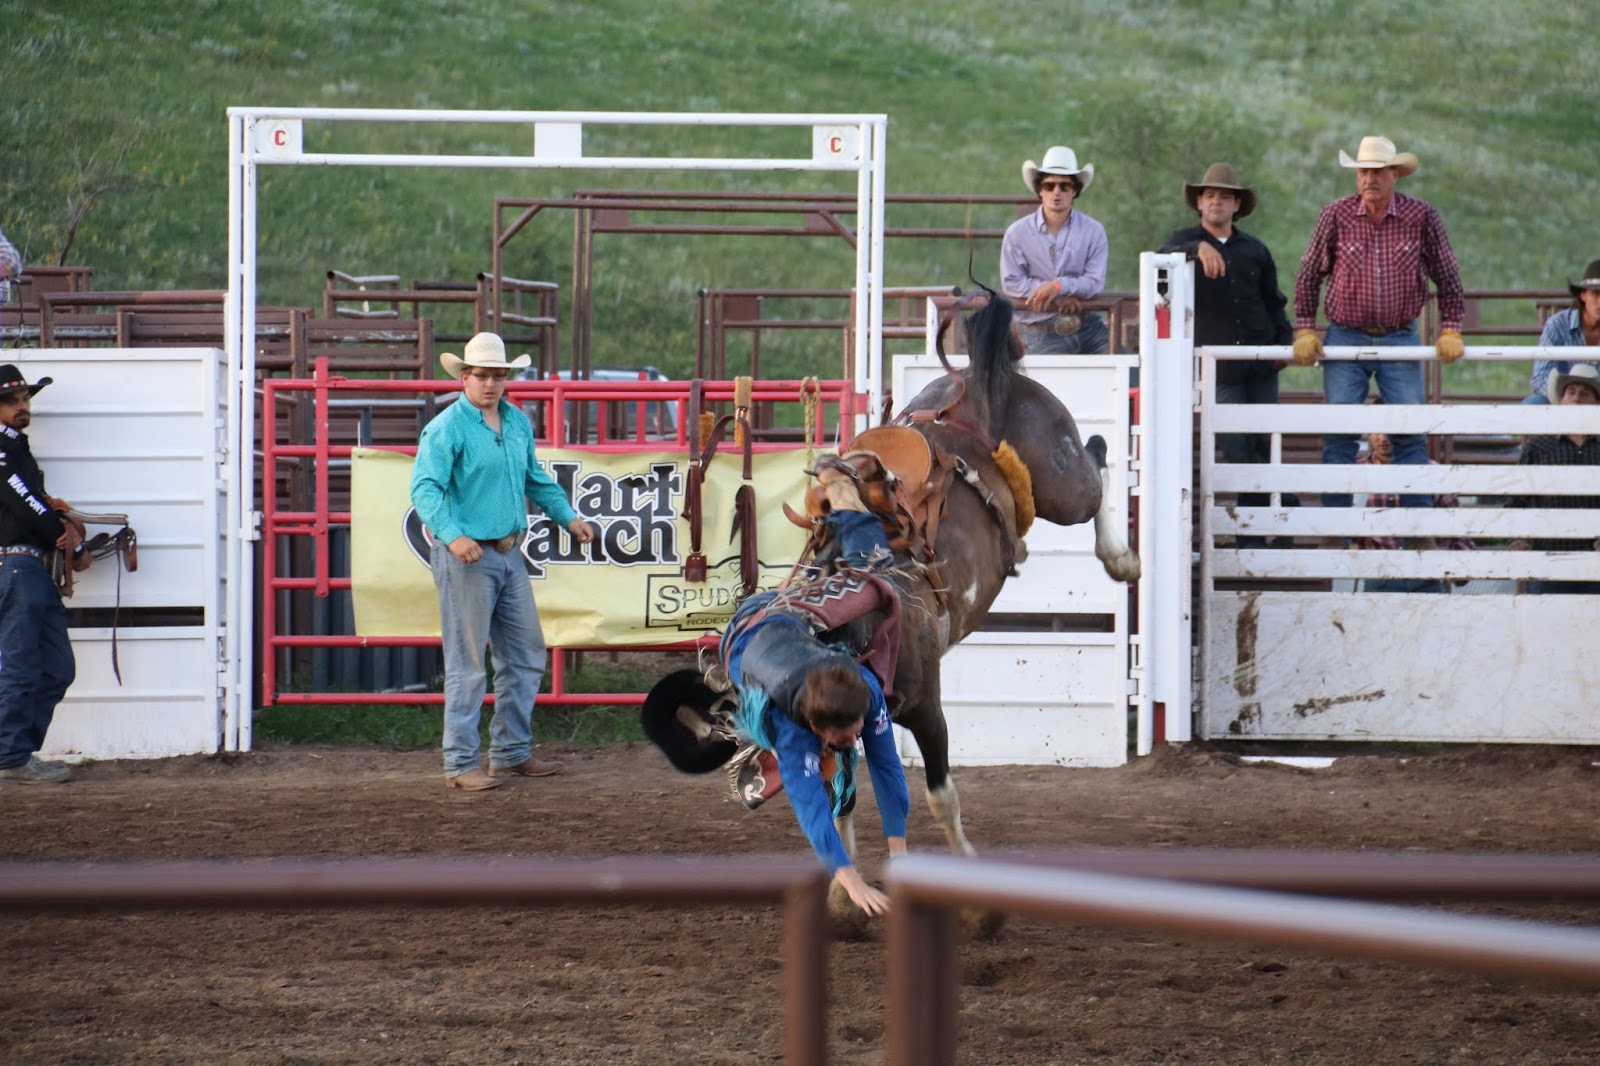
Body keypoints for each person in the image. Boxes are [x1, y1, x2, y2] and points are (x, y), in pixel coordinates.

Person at [409, 332, 596, 791]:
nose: (490, 383)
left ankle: (509, 753)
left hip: (508, 553)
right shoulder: (448, 427)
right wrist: (452, 536)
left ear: (505, 379)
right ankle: (460, 762)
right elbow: (424, 489)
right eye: (482, 375)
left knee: (526, 654)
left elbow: (535, 477)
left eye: (497, 376)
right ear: (465, 377)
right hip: (469, 557)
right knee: (469, 663)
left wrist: (568, 517)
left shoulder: (515, 422)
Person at [718, 507, 910, 917]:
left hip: (795, 618)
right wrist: (851, 880)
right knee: (802, 777)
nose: (852, 739)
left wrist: (900, 853)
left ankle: (853, 514)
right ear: (814, 726)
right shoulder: (789, 724)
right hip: (746, 636)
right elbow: (809, 807)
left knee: (874, 580)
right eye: (841, 739)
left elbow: (887, 766)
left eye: (855, 731)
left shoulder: (867, 690)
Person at [1292, 135, 1467, 512]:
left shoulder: (1421, 216)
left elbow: (1447, 272)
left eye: (1377, 172)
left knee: (1410, 434)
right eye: (1363, 172)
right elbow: (1309, 273)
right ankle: (1335, 526)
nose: (1369, 178)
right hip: (1345, 334)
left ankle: (1417, 525)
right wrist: (1305, 326)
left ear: (1394, 175)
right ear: (1357, 177)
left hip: (1400, 335)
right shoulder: (1335, 214)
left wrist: (1451, 326)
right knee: (1339, 433)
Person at [1159, 163, 1294, 539]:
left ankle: (1254, 535)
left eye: (1224, 196)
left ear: (1237, 205)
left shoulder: (1255, 250)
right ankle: (1286, 511)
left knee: (1265, 443)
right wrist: (1196, 248)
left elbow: (1274, 301)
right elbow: (1158, 261)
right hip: (1217, 367)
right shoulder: (1180, 243)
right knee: (1235, 445)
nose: (1216, 201)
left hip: (1261, 362)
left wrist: (1285, 344)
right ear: (1199, 203)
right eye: (1210, 195)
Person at [0, 364, 90, 784]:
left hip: (30, 567)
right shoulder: (5, 452)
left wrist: (68, 537)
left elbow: (31, 501)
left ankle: (15, 753)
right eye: (12, 402)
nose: (22, 407)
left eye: (24, 400)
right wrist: (63, 534)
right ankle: (11, 757)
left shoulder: (16, 449)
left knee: (56, 667)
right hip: (18, 566)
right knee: (22, 665)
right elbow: (23, 501)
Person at [1001, 145, 1110, 355]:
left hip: (1087, 327)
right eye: (1049, 186)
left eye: (1064, 186)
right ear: (1040, 190)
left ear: (1075, 190)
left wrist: (1059, 286)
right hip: (1041, 332)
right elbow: (1012, 282)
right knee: (1048, 386)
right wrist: (1059, 295)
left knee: (1131, 376)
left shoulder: (1094, 231)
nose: (1056, 192)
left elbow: (1095, 281)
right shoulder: (1017, 233)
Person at [1508, 364, 1600, 594]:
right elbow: (1517, 498)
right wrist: (1517, 539)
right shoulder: (1539, 445)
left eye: (1585, 394)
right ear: (1561, 401)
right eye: (1571, 392)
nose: (1576, 399)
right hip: (1548, 557)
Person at [1524, 260, 1600, 405]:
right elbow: (1540, 376)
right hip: (1561, 398)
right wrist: (1561, 397)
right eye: (1595, 294)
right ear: (1583, 295)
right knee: (1533, 404)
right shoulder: (1557, 324)